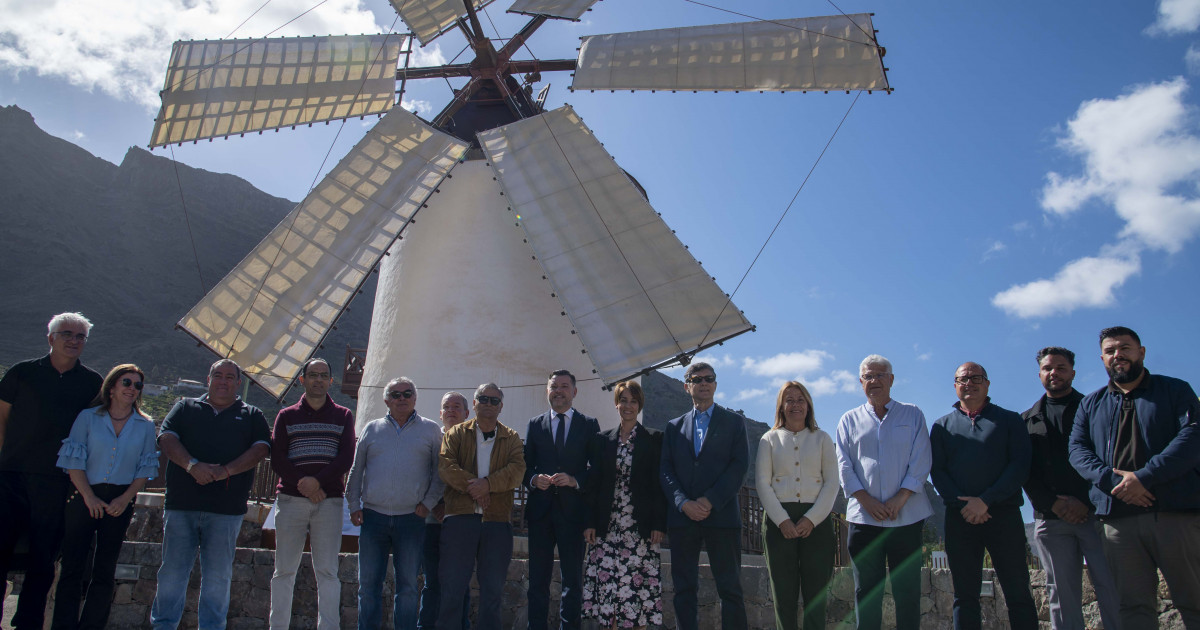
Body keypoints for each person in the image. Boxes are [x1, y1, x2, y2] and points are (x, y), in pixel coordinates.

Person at [1068, 327, 1200, 630]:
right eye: (1111, 350)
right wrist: (1115, 483)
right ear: (1102, 358)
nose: (1118, 355)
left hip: (1173, 513)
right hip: (1119, 520)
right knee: (1132, 608)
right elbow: (1077, 451)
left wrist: (1146, 477)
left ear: (1141, 352)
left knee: (1194, 600)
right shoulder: (1090, 404)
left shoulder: (1176, 391)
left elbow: (1192, 437)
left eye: (1125, 348)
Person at [151, 359, 272, 630]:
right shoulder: (184, 407)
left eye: (230, 377)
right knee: (172, 572)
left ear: (238, 383)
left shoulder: (252, 414)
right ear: (208, 379)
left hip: (226, 509)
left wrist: (225, 471)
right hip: (182, 504)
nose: (223, 381)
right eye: (218, 375)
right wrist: (192, 466)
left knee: (218, 577)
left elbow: (261, 449)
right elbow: (167, 438)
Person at [0, 312, 103, 629]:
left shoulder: (92, 384)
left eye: (80, 336)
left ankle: (29, 622)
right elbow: (1, 420)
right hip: (10, 478)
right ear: (50, 338)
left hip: (57, 482)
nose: (73, 340)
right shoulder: (21, 373)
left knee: (43, 559)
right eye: (67, 334)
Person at [51, 363, 159, 630]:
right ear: (111, 387)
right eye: (126, 382)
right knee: (73, 566)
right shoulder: (87, 418)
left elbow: (145, 467)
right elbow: (73, 461)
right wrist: (89, 497)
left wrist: (125, 499)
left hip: (120, 500)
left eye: (137, 385)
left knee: (105, 569)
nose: (132, 388)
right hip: (84, 495)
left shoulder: (145, 425)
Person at [930, 362, 1037, 630]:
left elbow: (1020, 466)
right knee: (964, 596)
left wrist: (987, 500)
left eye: (976, 378)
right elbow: (937, 471)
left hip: (1004, 516)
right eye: (962, 379)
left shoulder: (1011, 420)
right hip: (960, 519)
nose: (969, 383)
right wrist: (963, 504)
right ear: (955, 386)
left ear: (987, 384)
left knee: (1018, 593)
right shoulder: (941, 427)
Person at [1022, 347, 1120, 630]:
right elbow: (1025, 471)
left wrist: (1086, 503)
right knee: (1061, 597)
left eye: (1061, 368)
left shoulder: (1098, 410)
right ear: (1040, 374)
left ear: (1073, 373)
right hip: (1051, 520)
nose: (1054, 373)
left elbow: (1108, 458)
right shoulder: (1027, 420)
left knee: (1112, 587)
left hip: (1099, 516)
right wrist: (1054, 504)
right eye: (1048, 368)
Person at [835, 355, 933, 630]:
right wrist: (866, 501)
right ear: (860, 382)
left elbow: (921, 459)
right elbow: (843, 464)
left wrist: (900, 498)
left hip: (907, 517)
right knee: (866, 592)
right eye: (868, 376)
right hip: (864, 520)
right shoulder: (848, 420)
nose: (874, 381)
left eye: (880, 375)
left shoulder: (912, 414)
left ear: (891, 380)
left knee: (908, 591)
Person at [347, 377, 444, 630]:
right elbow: (357, 469)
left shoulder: (431, 430)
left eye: (407, 393)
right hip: (373, 517)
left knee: (409, 587)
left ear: (415, 397)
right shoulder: (371, 428)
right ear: (386, 399)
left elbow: (439, 473)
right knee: (368, 586)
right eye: (396, 394)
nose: (402, 398)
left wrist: (428, 503)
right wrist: (353, 504)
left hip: (411, 518)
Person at [660, 362, 748, 630]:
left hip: (721, 517)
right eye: (697, 379)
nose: (704, 383)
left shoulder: (734, 422)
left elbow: (739, 467)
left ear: (716, 385)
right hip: (683, 519)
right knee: (684, 589)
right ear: (687, 386)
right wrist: (683, 503)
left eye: (709, 378)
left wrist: (709, 500)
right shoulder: (674, 427)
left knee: (730, 588)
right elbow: (665, 470)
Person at [269, 358, 356, 630]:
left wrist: (317, 483)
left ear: (331, 381)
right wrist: (304, 484)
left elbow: (346, 457)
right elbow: (277, 457)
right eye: (313, 375)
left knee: (328, 571)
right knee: (283, 570)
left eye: (324, 375)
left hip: (328, 502)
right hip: (292, 500)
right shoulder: (286, 416)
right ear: (302, 380)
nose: (318, 379)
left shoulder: (343, 416)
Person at [436, 383, 525, 630]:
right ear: (474, 404)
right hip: (460, 519)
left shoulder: (512, 437)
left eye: (493, 400)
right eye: (483, 399)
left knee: (492, 591)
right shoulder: (455, 434)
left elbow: (517, 471)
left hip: (496, 521)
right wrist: (476, 489)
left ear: (501, 406)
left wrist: (488, 485)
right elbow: (446, 466)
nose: (488, 404)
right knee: (452, 588)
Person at [582, 380, 666, 629]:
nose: (628, 406)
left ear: (639, 405)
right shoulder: (601, 440)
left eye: (633, 401)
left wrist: (659, 524)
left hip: (640, 532)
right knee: (610, 599)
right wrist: (589, 523)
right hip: (607, 530)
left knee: (636, 599)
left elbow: (659, 485)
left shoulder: (654, 439)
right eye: (624, 400)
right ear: (616, 404)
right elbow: (592, 485)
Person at [757, 381, 839, 630]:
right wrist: (782, 520)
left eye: (800, 399)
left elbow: (832, 482)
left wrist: (811, 519)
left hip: (817, 521)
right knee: (783, 593)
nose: (795, 405)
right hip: (778, 520)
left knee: (817, 593)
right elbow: (762, 482)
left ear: (809, 405)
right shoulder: (768, 439)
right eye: (789, 400)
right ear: (781, 406)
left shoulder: (822, 439)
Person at [523, 370, 599, 630]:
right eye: (554, 386)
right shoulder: (534, 424)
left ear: (574, 392)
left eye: (564, 386)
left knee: (573, 582)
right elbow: (524, 465)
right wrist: (534, 480)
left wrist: (575, 479)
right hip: (540, 513)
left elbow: (596, 470)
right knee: (537, 582)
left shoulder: (589, 425)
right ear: (547, 391)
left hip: (573, 514)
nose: (558, 391)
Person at [418, 392, 473, 630]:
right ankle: (426, 626)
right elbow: (423, 475)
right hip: (432, 521)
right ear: (440, 413)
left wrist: (448, 505)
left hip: (462, 522)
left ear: (466, 413)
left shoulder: (474, 443)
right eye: (446, 407)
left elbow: (474, 479)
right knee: (432, 581)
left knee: (460, 582)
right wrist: (436, 504)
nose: (451, 411)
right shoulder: (429, 439)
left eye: (457, 407)